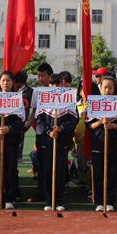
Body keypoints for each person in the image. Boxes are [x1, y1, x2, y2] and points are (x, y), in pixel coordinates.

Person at [37, 74, 77, 211]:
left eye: (58, 84)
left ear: (62, 84)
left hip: (62, 140)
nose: (55, 87)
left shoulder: (68, 98)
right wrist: (49, 131)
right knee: (47, 171)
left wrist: (61, 128)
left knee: (59, 171)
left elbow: (73, 119)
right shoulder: (43, 98)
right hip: (47, 140)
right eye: (52, 84)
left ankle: (59, 200)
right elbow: (39, 120)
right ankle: (49, 200)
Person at [85, 75, 117, 212]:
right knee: (98, 174)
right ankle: (99, 201)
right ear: (100, 88)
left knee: (112, 174)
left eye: (110, 87)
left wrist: (112, 126)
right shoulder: (94, 103)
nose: (107, 90)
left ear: (114, 89)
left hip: (112, 145)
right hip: (97, 144)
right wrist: (100, 122)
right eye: (105, 87)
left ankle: (110, 200)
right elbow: (89, 126)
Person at [0, 71, 24, 210]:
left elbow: (20, 120)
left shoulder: (17, 99)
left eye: (8, 80)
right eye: (3, 81)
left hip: (11, 141)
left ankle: (9, 198)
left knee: (10, 170)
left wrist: (9, 128)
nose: (5, 83)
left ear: (13, 82)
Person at [24, 63, 53, 203]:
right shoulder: (37, 92)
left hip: (56, 132)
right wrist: (27, 126)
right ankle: (41, 192)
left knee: (54, 164)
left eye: (43, 75)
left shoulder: (59, 92)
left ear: (50, 76)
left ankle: (55, 192)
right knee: (41, 164)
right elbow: (34, 112)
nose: (40, 78)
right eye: (39, 75)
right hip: (41, 133)